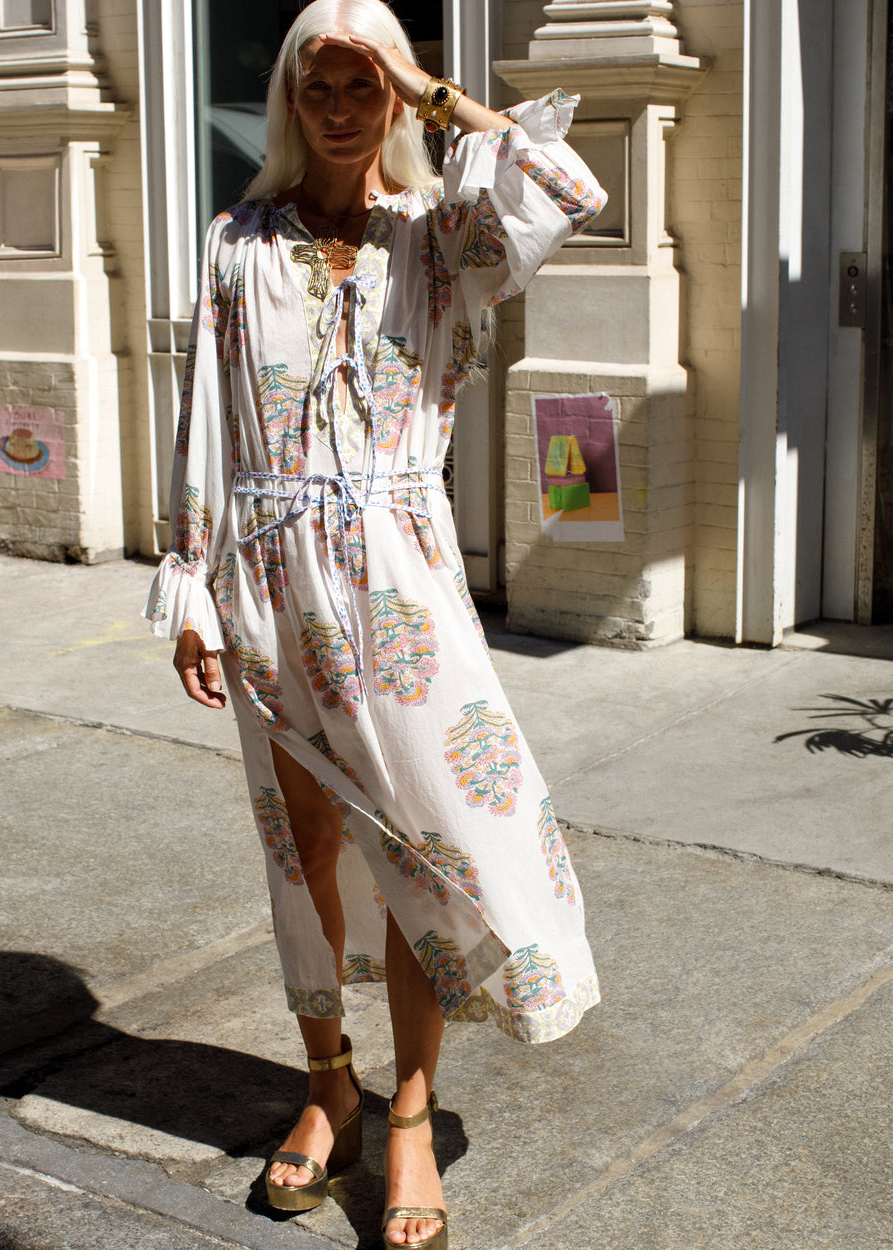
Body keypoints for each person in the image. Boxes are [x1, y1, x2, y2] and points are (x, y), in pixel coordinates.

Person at [144, 2, 606, 1246]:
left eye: (366, 86)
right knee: (301, 844)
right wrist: (191, 584)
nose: (343, 108)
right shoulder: (235, 239)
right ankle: (325, 1083)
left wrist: (431, 86)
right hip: (269, 573)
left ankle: (410, 1110)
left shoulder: (441, 236)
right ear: (292, 102)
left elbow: (566, 186)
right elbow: (208, 424)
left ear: (394, 97)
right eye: (319, 85)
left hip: (402, 581)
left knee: (423, 837)